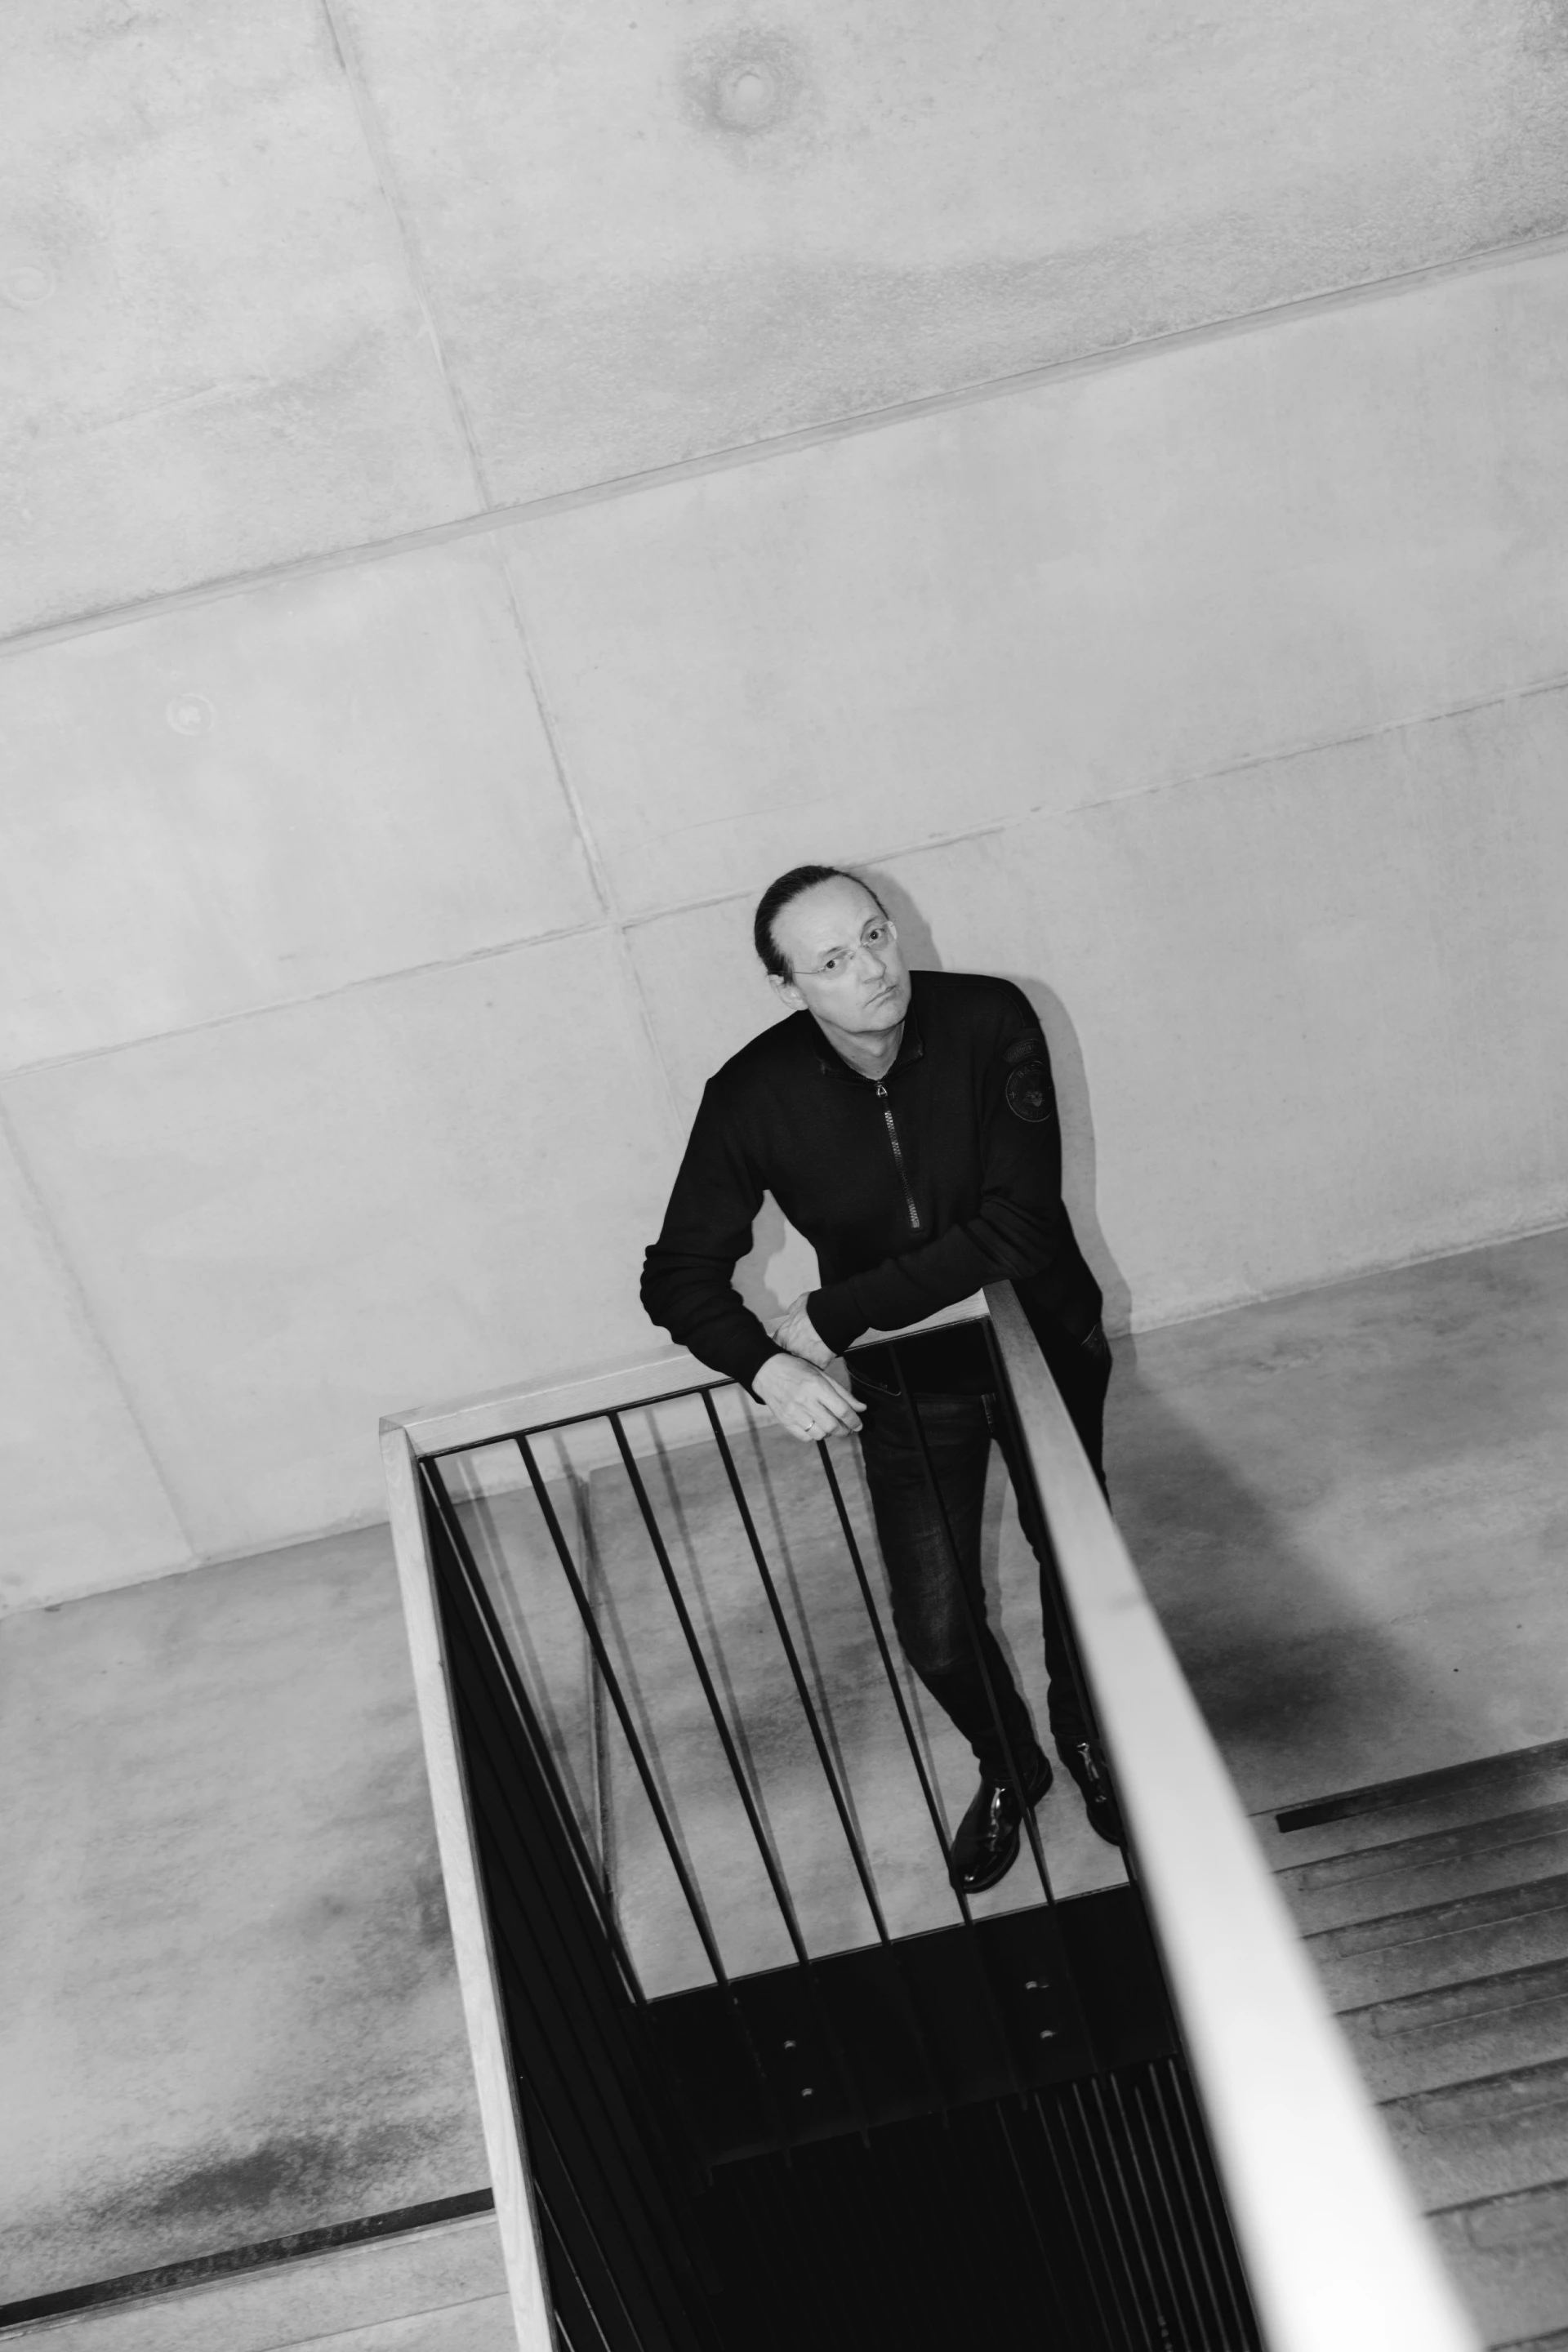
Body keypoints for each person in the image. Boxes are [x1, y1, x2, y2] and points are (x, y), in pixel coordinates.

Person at [640, 864, 1124, 1892]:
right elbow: (675, 1274)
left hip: (1042, 1346)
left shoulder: (991, 1020)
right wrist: (765, 1368)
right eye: (830, 961)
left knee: (1080, 1576)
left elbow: (1018, 1228)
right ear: (787, 987)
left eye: (874, 935)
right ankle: (1013, 1764)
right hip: (911, 1385)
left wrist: (830, 1315)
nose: (870, 970)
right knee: (937, 1633)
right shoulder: (753, 1096)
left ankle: (1088, 1739)